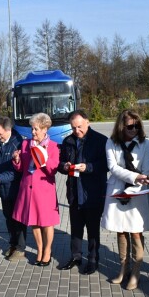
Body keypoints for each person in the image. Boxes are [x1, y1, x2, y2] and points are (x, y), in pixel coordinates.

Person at [100, 110, 149, 290]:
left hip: (137, 192)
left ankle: (136, 272)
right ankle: (123, 268)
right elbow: (112, 167)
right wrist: (134, 177)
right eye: (130, 126)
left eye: (137, 126)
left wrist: (136, 183)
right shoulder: (111, 142)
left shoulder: (146, 144)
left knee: (136, 231)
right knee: (121, 231)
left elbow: (147, 169)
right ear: (122, 126)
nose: (134, 129)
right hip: (116, 189)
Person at [57, 110, 108, 274]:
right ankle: (76, 256)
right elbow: (60, 163)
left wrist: (89, 167)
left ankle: (93, 259)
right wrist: (64, 166)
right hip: (74, 192)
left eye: (79, 127)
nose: (77, 131)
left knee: (93, 230)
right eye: (73, 128)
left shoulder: (100, 140)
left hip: (92, 192)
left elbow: (107, 165)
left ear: (88, 122)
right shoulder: (68, 141)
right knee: (76, 228)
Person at [12, 112, 60, 266]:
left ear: (45, 129)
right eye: (32, 129)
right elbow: (21, 169)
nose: (33, 132)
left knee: (46, 223)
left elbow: (53, 170)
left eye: (36, 129)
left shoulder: (53, 146)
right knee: (34, 222)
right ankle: (39, 249)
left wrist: (43, 159)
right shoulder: (26, 144)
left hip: (44, 190)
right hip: (28, 189)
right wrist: (17, 160)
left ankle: (47, 251)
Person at [0, 116, 27, 261]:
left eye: (0, 134)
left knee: (18, 219)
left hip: (16, 188)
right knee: (8, 218)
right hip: (3, 189)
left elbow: (16, 171)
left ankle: (21, 248)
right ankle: (13, 243)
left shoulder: (18, 144)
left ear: (8, 130)